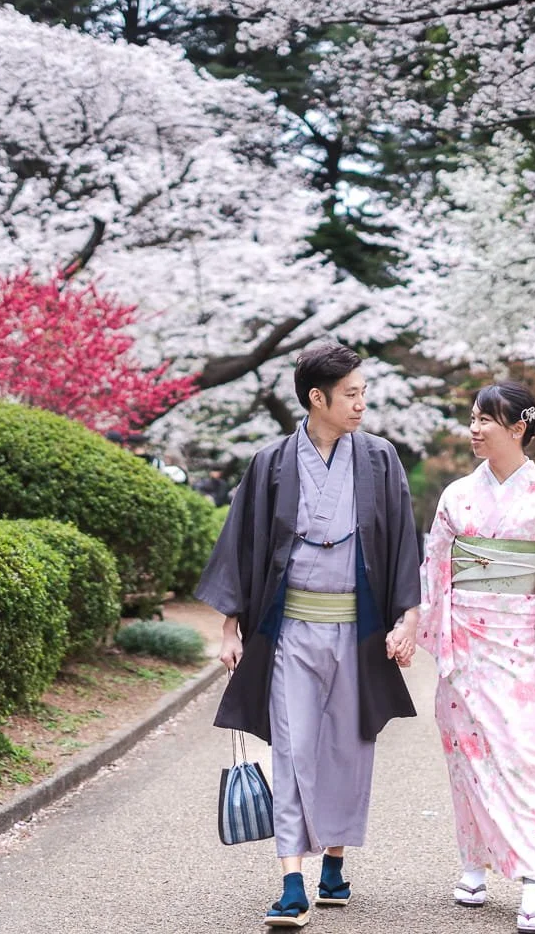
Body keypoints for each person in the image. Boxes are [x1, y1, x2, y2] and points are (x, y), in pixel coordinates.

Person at [195, 341, 422, 929]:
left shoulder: (380, 459)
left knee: (348, 747)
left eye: (363, 393)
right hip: (289, 629)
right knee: (294, 751)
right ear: (316, 398)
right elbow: (242, 545)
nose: (361, 404)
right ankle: (291, 880)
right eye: (351, 394)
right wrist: (230, 627)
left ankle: (336, 864)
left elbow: (402, 543)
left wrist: (409, 617)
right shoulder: (271, 462)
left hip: (357, 631)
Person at [416, 380, 535, 934]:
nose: (473, 428)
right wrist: (416, 630)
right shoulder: (456, 495)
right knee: (465, 755)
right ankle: (473, 864)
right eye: (472, 417)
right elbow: (435, 570)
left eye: (484, 420)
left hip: (521, 645)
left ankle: (533, 879)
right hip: (463, 642)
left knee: (522, 759)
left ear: (518, 426)